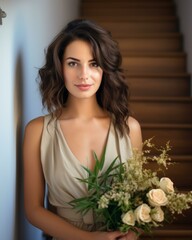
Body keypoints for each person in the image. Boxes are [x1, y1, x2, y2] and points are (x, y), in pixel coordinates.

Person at [23, 19, 142, 240]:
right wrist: (89, 239)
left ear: (105, 68)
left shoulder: (129, 129)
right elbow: (33, 210)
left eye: (94, 63)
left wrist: (134, 232)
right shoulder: (38, 131)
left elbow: (137, 200)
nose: (83, 74)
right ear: (59, 68)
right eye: (73, 63)